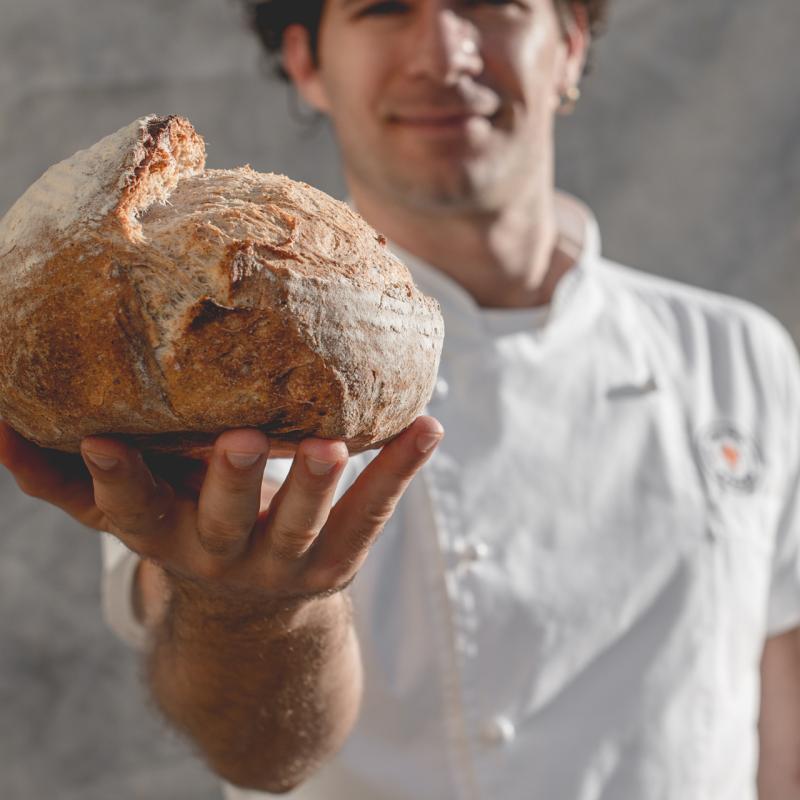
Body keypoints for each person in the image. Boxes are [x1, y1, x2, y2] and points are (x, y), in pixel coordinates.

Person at [1, 0, 800, 798]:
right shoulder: (202, 364)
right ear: (308, 63)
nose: (443, 54)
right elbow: (258, 756)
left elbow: (784, 728)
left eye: (491, 5)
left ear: (568, 45)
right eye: (384, 8)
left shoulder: (739, 357)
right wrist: (245, 609)